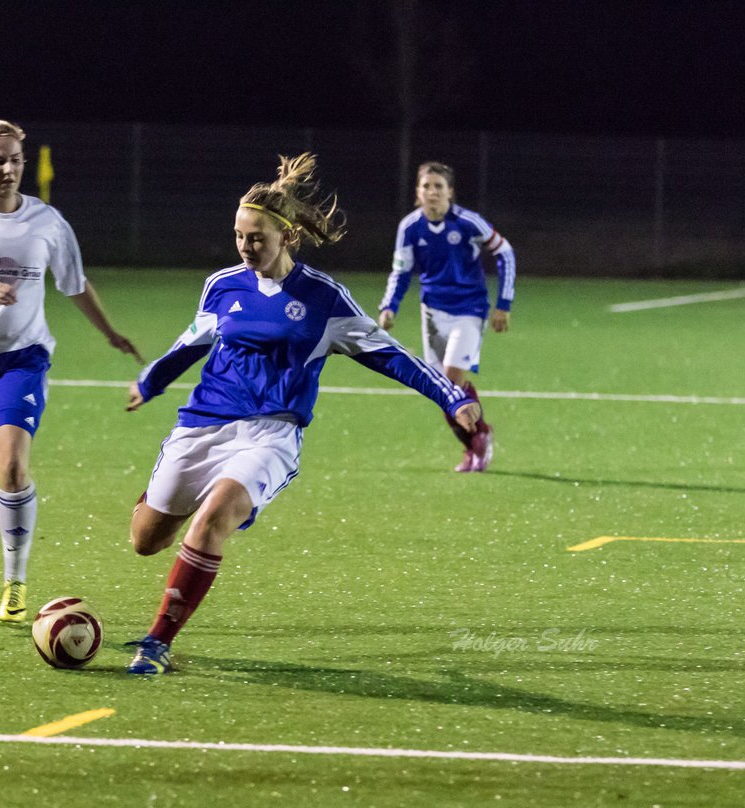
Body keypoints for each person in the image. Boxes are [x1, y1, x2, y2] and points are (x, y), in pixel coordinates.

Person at [123, 153, 481, 676]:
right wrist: (151, 380)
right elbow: (191, 341)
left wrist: (452, 396)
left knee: (211, 521)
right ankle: (164, 497)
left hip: (271, 435)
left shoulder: (323, 300)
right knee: (146, 540)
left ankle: (156, 642)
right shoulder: (223, 285)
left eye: (257, 238)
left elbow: (391, 355)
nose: (246, 247)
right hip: (201, 424)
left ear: (287, 237)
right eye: (240, 236)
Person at [0, 118, 143, 623]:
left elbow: (75, 283)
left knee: (14, 467)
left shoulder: (46, 221)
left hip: (23, 356)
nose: (8, 169)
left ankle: (15, 583)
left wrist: (109, 332)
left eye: (15, 160)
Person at [377, 161, 516, 473]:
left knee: (452, 379)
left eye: (439, 186)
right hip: (433, 313)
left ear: (450, 192)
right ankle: (477, 442)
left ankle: (479, 442)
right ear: (418, 192)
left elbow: (505, 251)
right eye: (427, 186)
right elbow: (400, 272)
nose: (432, 192)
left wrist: (503, 304)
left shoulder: (468, 222)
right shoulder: (410, 227)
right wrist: (389, 307)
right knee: (443, 392)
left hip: (469, 310)